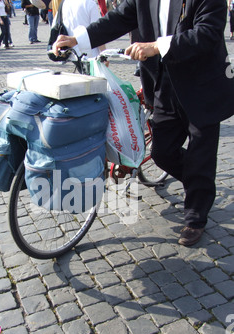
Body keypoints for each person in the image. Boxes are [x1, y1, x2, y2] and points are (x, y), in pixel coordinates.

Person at [54, 0, 234, 247]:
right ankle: (198, 183)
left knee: (201, 156)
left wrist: (156, 46)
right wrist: (77, 39)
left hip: (202, 87)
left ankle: (196, 218)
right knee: (162, 153)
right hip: (164, 83)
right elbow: (117, 19)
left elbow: (207, 33)